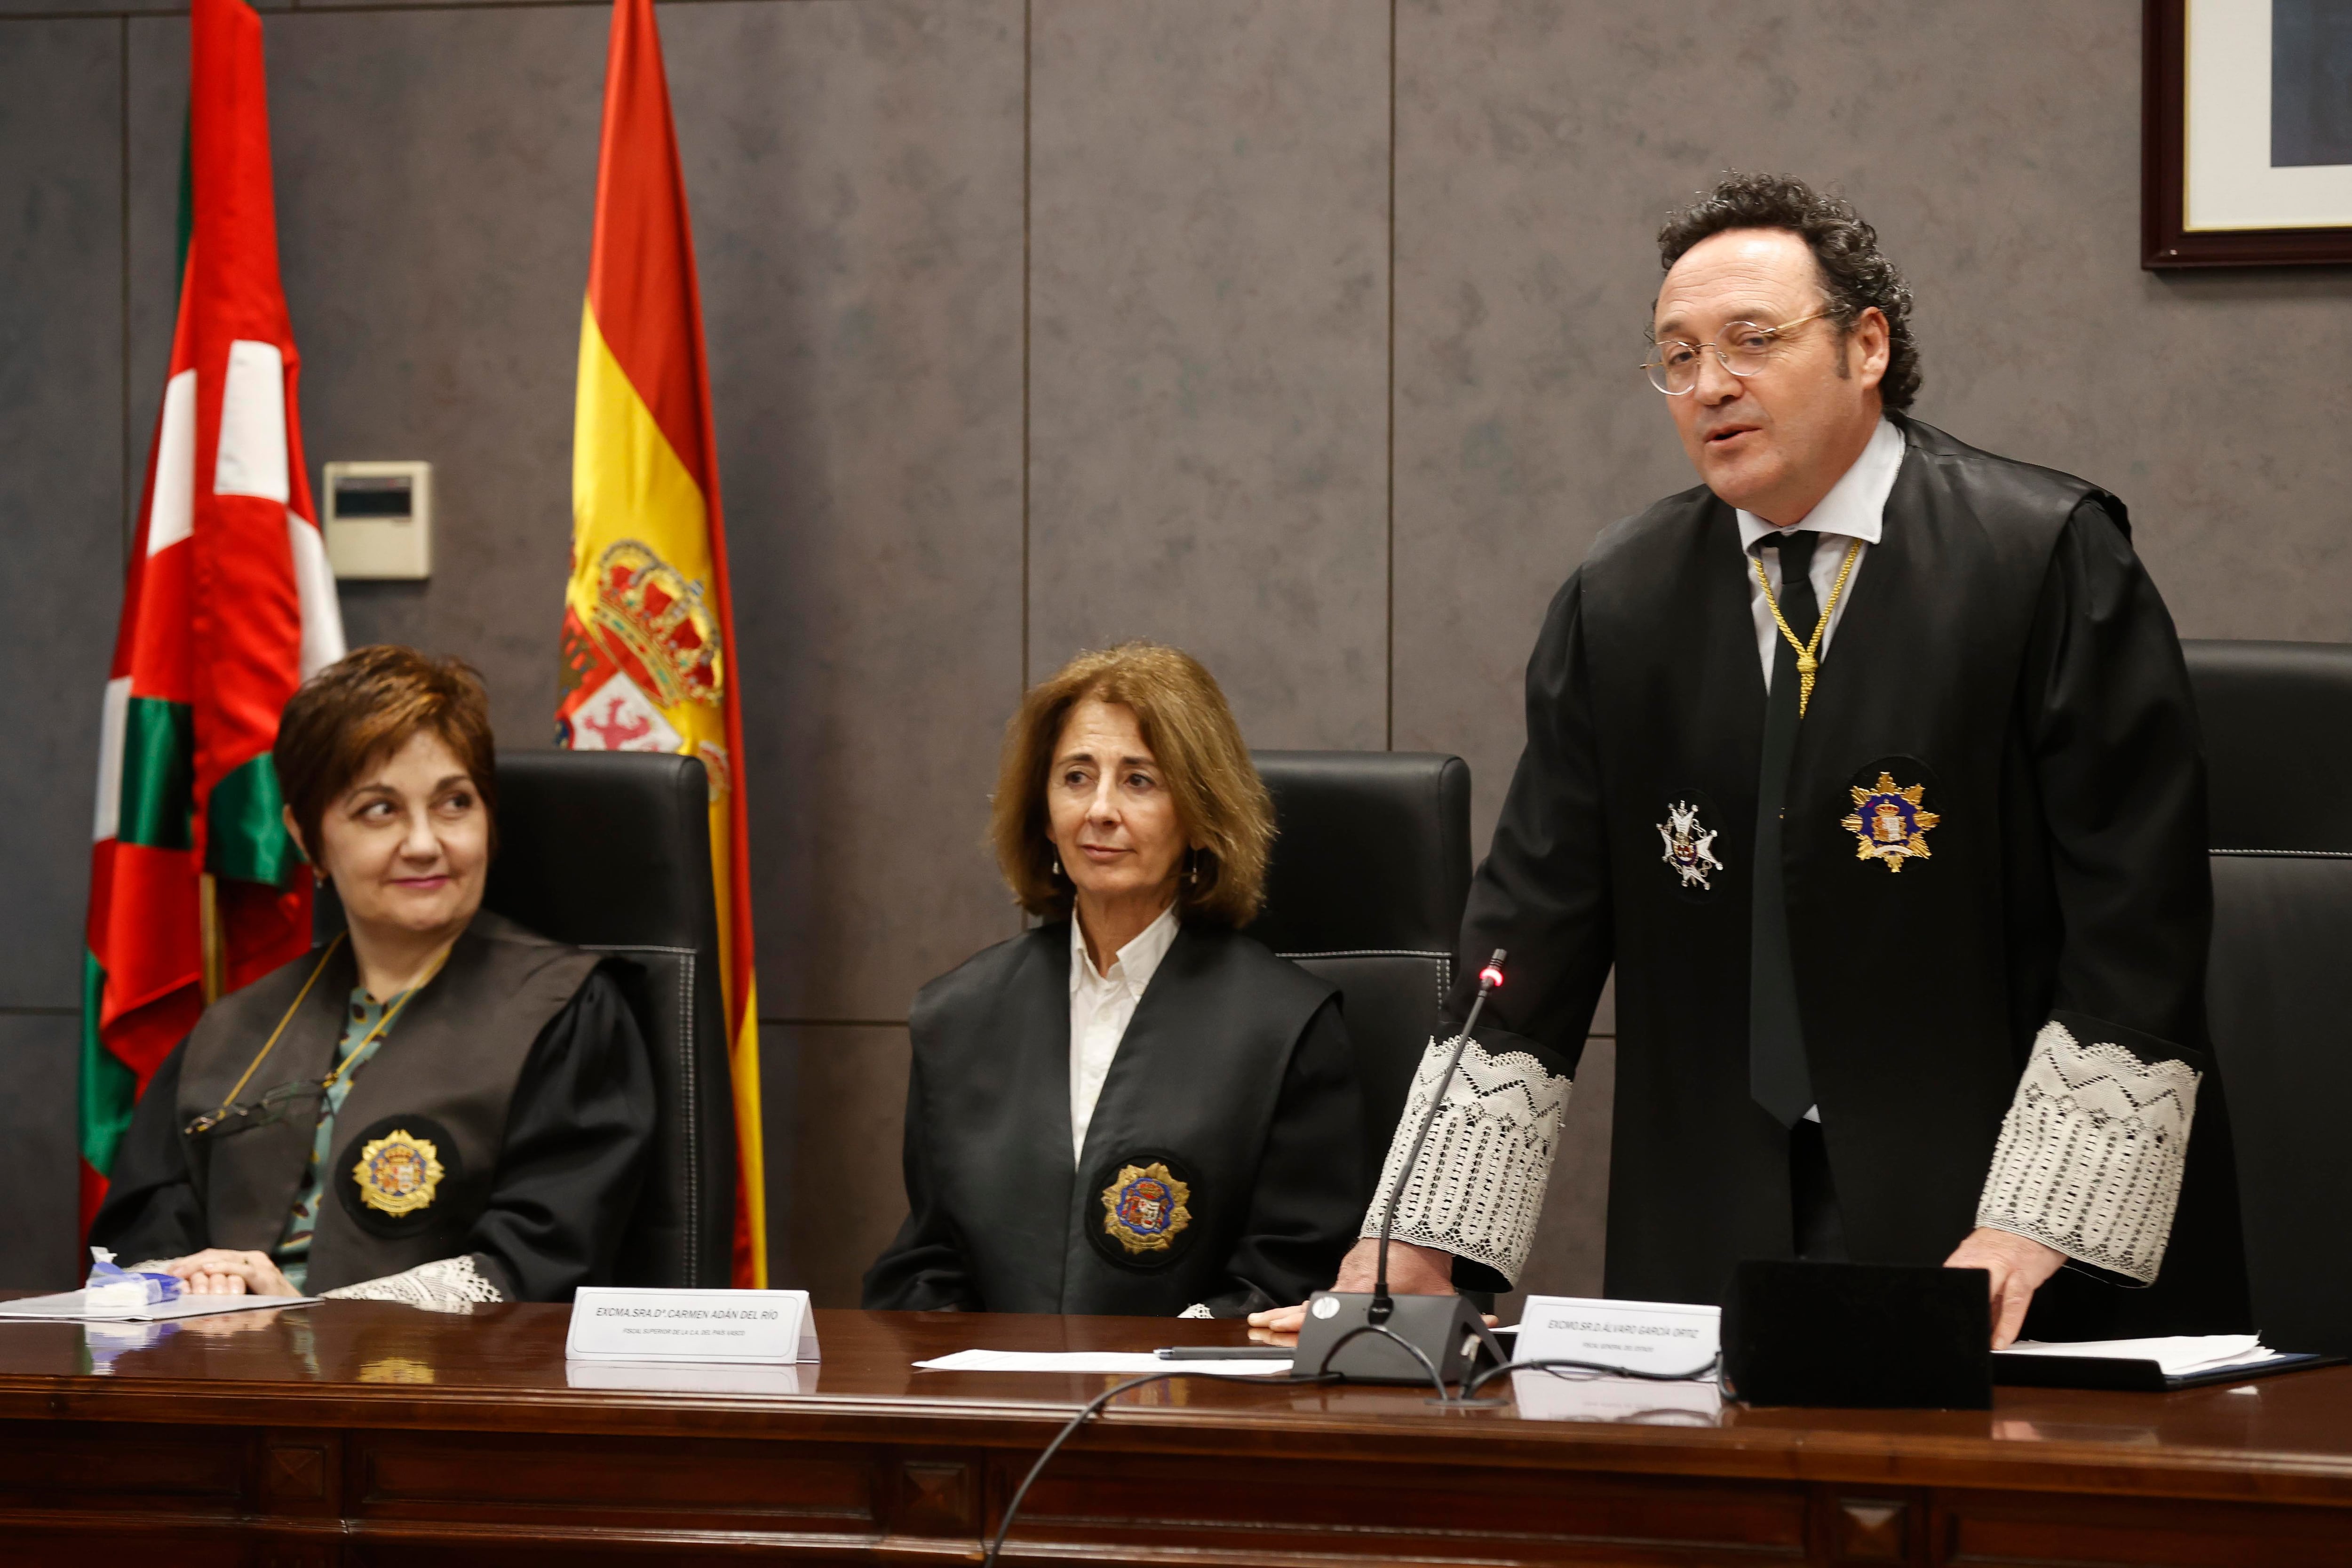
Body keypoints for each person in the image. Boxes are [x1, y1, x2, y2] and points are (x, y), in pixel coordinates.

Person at [1256, 173, 2247, 1348]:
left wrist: (2039, 1220)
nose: (1710, 384)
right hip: (1715, 1215)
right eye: (1676, 357)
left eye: (1751, 341)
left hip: (1998, 1224)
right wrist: (1417, 1230)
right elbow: (1528, 929)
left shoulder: (2041, 557)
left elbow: (2139, 916)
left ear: (1865, 345)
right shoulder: (1620, 600)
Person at [91, 646, 655, 1308]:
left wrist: (302, 1320)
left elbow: (541, 1265)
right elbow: (142, 1238)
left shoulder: (567, 1012)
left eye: (454, 803)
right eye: (379, 810)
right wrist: (195, 1288)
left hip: (442, 1399)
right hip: (220, 1383)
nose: (423, 842)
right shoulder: (234, 1031)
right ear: (307, 838)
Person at [864, 643, 1367, 1316]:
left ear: (1197, 814)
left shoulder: (1288, 1025)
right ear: (1044, 812)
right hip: (998, 1409)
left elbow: (1295, 1269)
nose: (1099, 809)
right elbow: (928, 1261)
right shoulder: (957, 1017)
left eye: (1139, 780)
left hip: (1196, 1401)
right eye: (1076, 776)